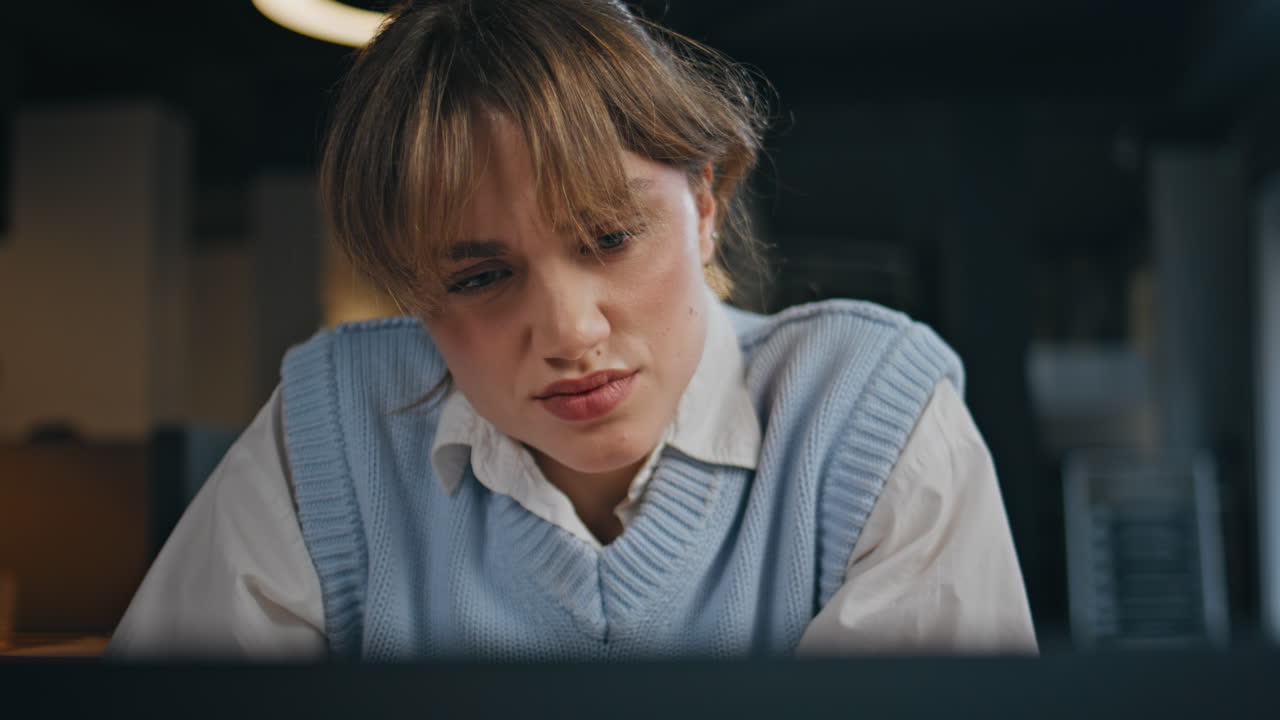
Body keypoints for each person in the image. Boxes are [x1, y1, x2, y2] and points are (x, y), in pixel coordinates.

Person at [109, 0, 1036, 660]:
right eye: (478, 277)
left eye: (608, 237)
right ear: (411, 293)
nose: (569, 330)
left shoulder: (868, 414)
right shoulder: (337, 425)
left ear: (706, 201)